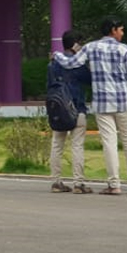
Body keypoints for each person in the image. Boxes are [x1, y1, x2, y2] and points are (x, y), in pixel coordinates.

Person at [53, 16, 127, 195]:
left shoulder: (91, 47)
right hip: (123, 102)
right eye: (121, 29)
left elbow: (70, 63)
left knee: (109, 143)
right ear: (113, 30)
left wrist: (56, 55)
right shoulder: (123, 49)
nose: (122, 33)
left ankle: (114, 184)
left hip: (103, 105)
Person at [48, 30, 94, 194]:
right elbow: (90, 79)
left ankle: (56, 182)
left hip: (58, 109)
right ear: (75, 44)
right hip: (76, 107)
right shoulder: (78, 65)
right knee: (77, 145)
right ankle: (78, 183)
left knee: (57, 144)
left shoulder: (53, 63)